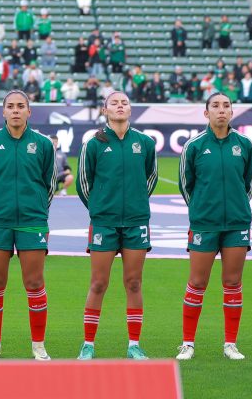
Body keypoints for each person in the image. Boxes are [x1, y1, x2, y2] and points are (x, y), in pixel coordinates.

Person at [0, 91, 57, 361]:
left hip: (32, 222)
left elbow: (49, 185)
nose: (15, 111)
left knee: (34, 283)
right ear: (3, 112)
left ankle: (38, 345)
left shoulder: (44, 144)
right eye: (10, 106)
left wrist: (37, 211)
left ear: (29, 112)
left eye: (21, 106)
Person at [75, 91, 157, 361]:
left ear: (130, 110)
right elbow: (83, 184)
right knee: (98, 283)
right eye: (114, 103)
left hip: (135, 223)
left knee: (134, 283)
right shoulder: (94, 143)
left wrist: (134, 205)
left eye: (124, 102)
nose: (120, 106)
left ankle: (134, 344)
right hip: (104, 223)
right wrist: (101, 208)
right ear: (105, 110)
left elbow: (150, 179)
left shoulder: (144, 142)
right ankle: (88, 344)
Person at [174, 93, 252, 361]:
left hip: (236, 224)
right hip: (204, 224)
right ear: (206, 113)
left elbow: (248, 184)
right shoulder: (194, 146)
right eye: (216, 106)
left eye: (226, 106)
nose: (222, 110)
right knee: (197, 282)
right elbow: (186, 185)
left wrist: (236, 207)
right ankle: (187, 343)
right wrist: (200, 209)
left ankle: (230, 344)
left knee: (232, 282)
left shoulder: (244, 144)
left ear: (232, 112)